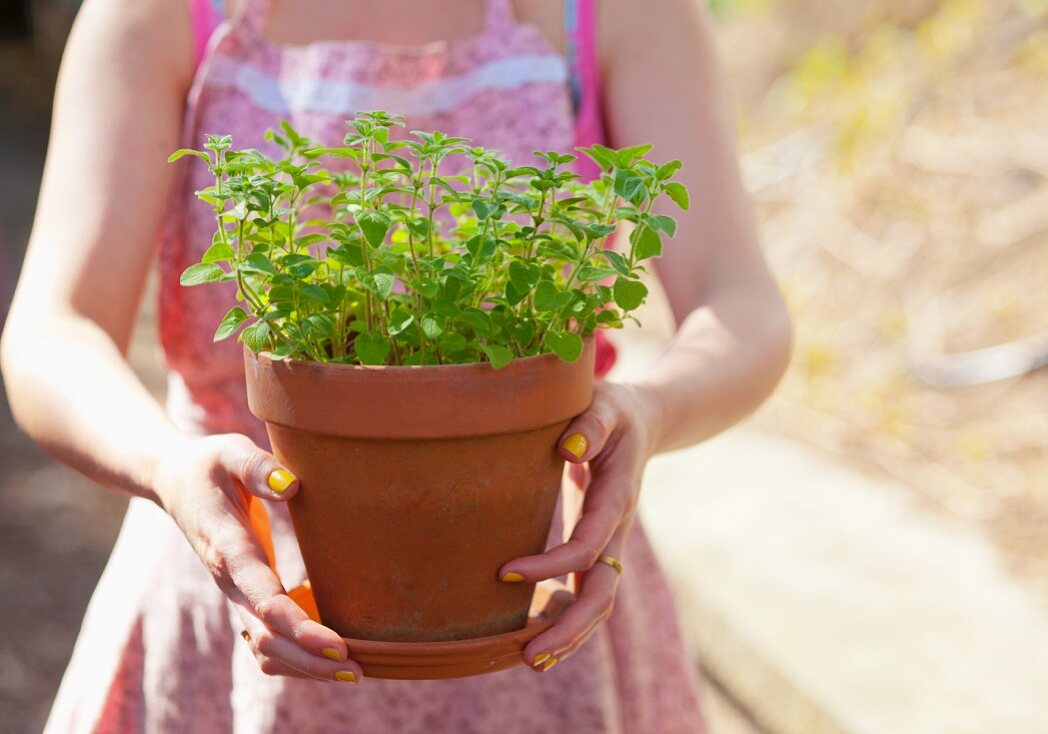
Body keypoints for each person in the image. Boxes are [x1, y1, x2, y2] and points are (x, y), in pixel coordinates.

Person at [0, 0, 791, 731]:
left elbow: (742, 306)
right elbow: (53, 331)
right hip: (231, 595)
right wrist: (168, 467)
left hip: (538, 597)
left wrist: (647, 411)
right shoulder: (166, 13)